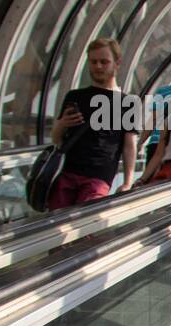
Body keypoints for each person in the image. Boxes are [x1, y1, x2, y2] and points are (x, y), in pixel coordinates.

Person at [46, 38, 138, 210]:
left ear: (117, 63)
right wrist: (61, 124)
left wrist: (127, 182)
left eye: (104, 62)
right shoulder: (74, 97)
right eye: (93, 61)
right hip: (68, 172)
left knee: (85, 227)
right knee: (54, 224)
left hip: (99, 176)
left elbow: (129, 145)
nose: (98, 66)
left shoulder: (128, 102)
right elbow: (56, 139)